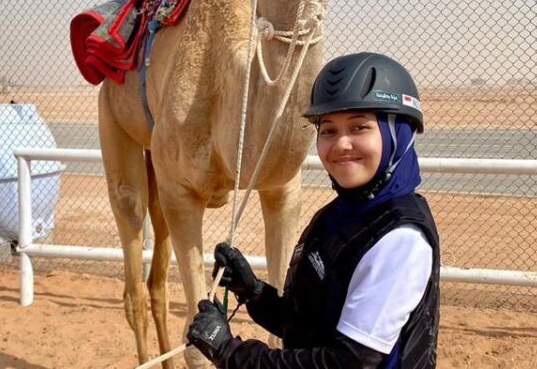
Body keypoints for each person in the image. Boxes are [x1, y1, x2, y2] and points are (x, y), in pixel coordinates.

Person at [187, 52, 440, 368]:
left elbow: (347, 362)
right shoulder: (339, 216)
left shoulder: (399, 240)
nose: (341, 144)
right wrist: (253, 292)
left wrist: (231, 353)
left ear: (398, 134)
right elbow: (310, 328)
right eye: (328, 130)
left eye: (359, 127)